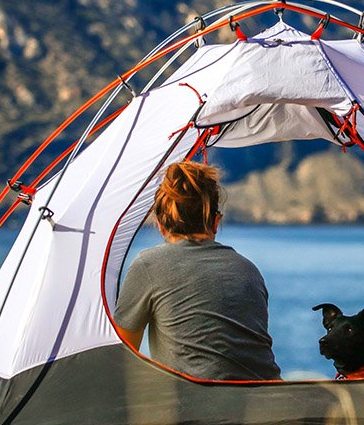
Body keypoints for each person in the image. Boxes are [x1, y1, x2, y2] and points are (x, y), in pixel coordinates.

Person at [114, 161, 281, 381]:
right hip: (269, 396)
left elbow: (123, 355)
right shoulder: (249, 270)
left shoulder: (148, 265)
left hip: (195, 400)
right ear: (216, 222)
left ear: (161, 225)